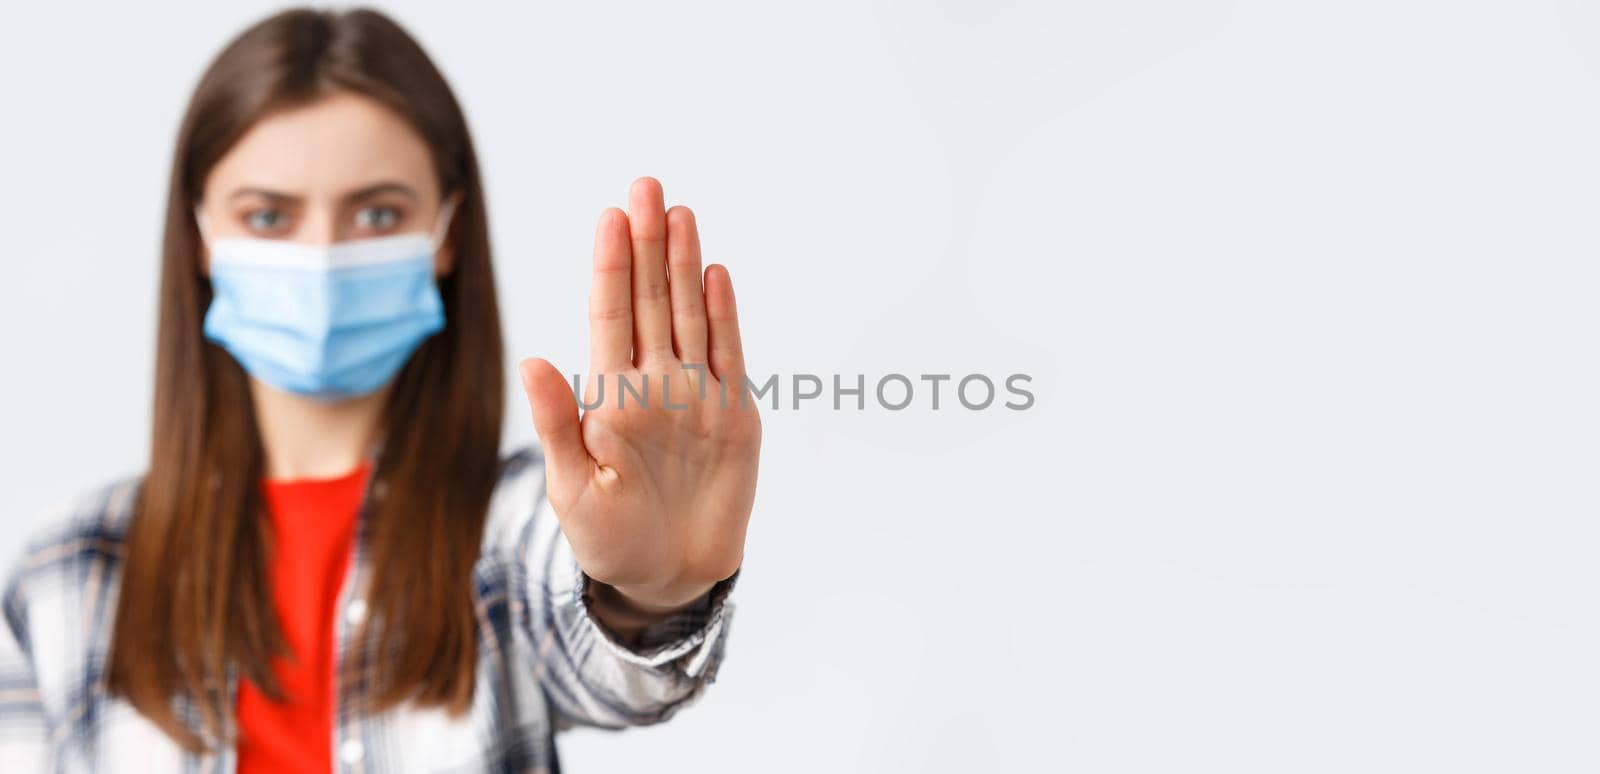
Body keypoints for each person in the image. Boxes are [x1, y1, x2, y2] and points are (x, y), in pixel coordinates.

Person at [0, 7, 760, 772]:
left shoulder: (524, 528)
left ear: (447, 232)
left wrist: (653, 591)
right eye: (267, 215)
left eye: (377, 213)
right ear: (199, 235)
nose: (323, 254)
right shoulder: (69, 567)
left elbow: (613, 662)